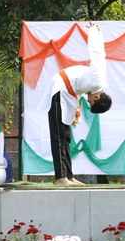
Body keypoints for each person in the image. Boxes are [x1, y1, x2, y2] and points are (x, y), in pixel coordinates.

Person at [39, 21, 112, 185]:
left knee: (66, 137)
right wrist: (94, 33)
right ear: (97, 97)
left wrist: (98, 34)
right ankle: (61, 177)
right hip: (60, 90)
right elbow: (97, 54)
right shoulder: (98, 78)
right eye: (91, 102)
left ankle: (69, 176)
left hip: (67, 94)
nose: (89, 101)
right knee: (58, 136)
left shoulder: (95, 84)